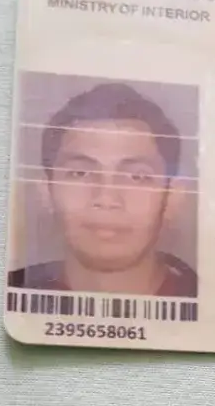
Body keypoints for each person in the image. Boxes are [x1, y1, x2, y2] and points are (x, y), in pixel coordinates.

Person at [10, 82, 197, 297]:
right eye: (80, 173)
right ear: (46, 192)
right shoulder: (5, 294)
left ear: (172, 197)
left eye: (137, 177)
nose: (106, 198)